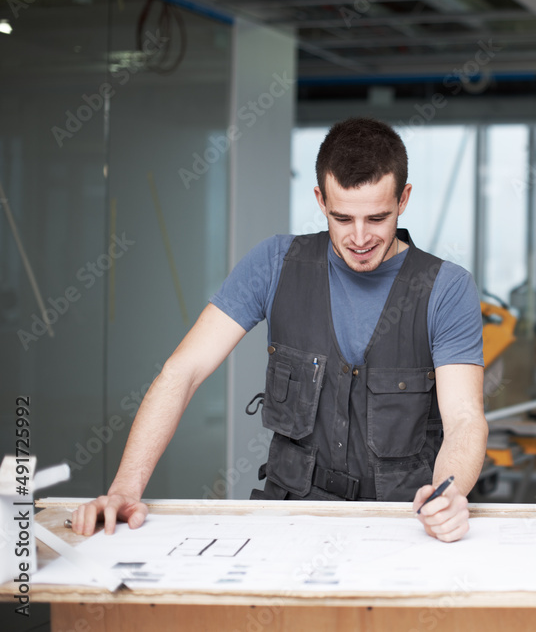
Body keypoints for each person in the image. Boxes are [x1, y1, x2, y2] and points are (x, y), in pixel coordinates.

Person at [72, 118, 488, 543]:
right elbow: (183, 372)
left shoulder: (446, 288)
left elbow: (464, 418)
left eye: (377, 218)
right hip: (290, 520)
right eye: (342, 218)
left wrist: (449, 493)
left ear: (404, 200)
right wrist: (124, 489)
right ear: (320, 200)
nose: (360, 238)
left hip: (404, 525)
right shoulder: (274, 264)